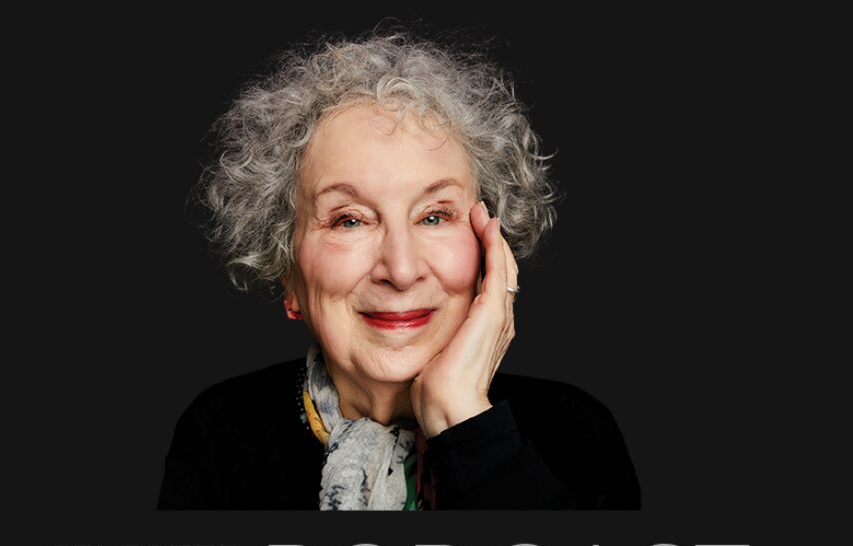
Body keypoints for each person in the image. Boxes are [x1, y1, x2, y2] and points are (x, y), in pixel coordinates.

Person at [157, 29, 640, 510]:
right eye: (350, 220)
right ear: (288, 274)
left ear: (489, 252)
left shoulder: (576, 436)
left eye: (434, 216)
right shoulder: (219, 436)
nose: (401, 270)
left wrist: (466, 422)